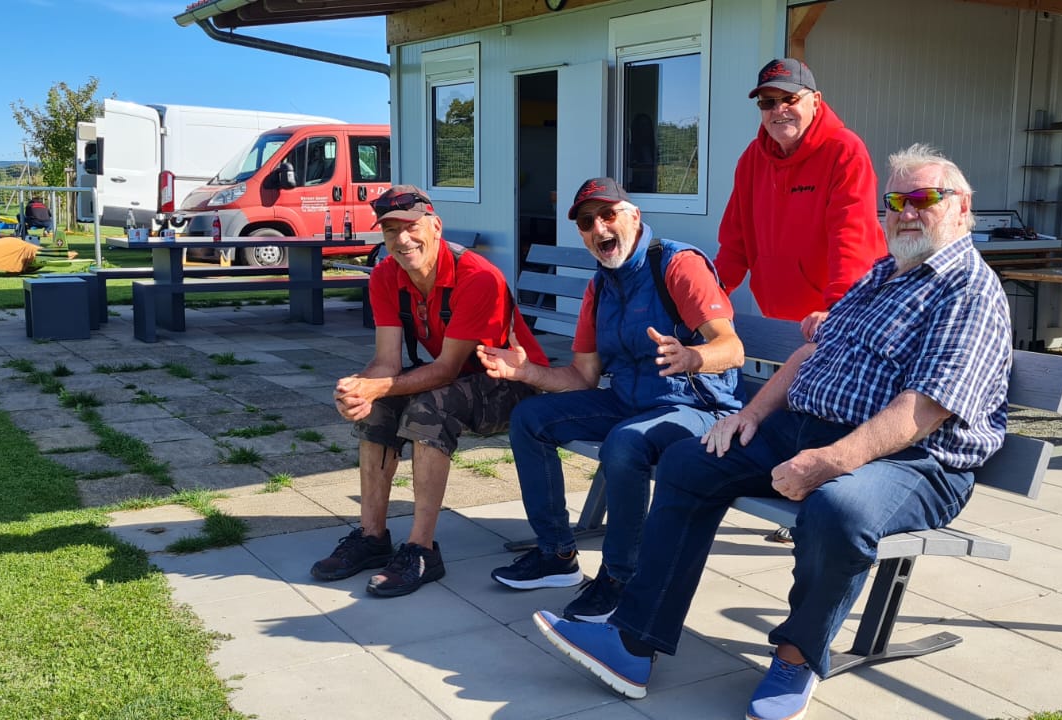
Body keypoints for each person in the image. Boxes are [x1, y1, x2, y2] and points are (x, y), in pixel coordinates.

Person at [532, 145, 1013, 720]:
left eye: (924, 198)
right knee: (687, 463)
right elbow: (810, 354)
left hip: (913, 460)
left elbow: (924, 410)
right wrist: (751, 415)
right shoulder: (883, 274)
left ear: (962, 207)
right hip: (809, 428)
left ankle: (794, 659)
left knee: (838, 510)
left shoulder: (968, 289)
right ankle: (633, 643)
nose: (906, 211)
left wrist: (829, 461)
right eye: (895, 200)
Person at [477, 177, 746, 622]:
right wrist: (526, 373)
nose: (598, 227)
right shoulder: (599, 287)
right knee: (529, 418)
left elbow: (732, 349)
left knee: (625, 442)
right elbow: (583, 377)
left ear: (634, 217)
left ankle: (622, 578)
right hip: (629, 402)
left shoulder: (678, 265)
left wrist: (693, 356)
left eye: (608, 214)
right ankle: (557, 556)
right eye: (587, 222)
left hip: (697, 408)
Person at [311, 185, 551, 598]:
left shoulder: (478, 277)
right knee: (379, 405)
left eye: (412, 227)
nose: (402, 240)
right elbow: (386, 362)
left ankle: (421, 551)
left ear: (436, 227)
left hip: (516, 384)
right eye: (390, 231)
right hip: (459, 381)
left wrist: (377, 385)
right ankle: (372, 537)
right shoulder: (385, 275)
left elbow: (445, 370)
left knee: (429, 406)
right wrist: (359, 390)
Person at [714, 57, 886, 339]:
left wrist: (839, 310)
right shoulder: (752, 158)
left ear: (815, 101)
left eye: (789, 98)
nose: (778, 109)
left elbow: (851, 236)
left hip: (837, 319)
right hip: (778, 319)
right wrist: (709, 296)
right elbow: (735, 241)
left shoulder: (845, 151)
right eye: (767, 102)